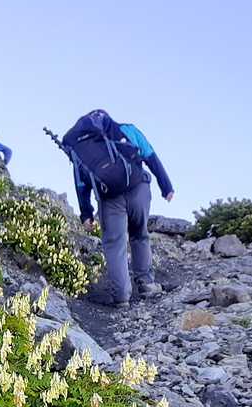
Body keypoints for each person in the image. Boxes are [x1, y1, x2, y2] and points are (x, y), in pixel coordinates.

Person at [65, 110, 174, 308]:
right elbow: (150, 156)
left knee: (115, 245)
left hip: (109, 199)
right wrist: (166, 186)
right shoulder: (127, 130)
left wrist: (86, 213)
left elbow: (81, 184)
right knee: (139, 235)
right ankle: (146, 284)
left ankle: (121, 296)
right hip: (138, 188)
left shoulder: (80, 148)